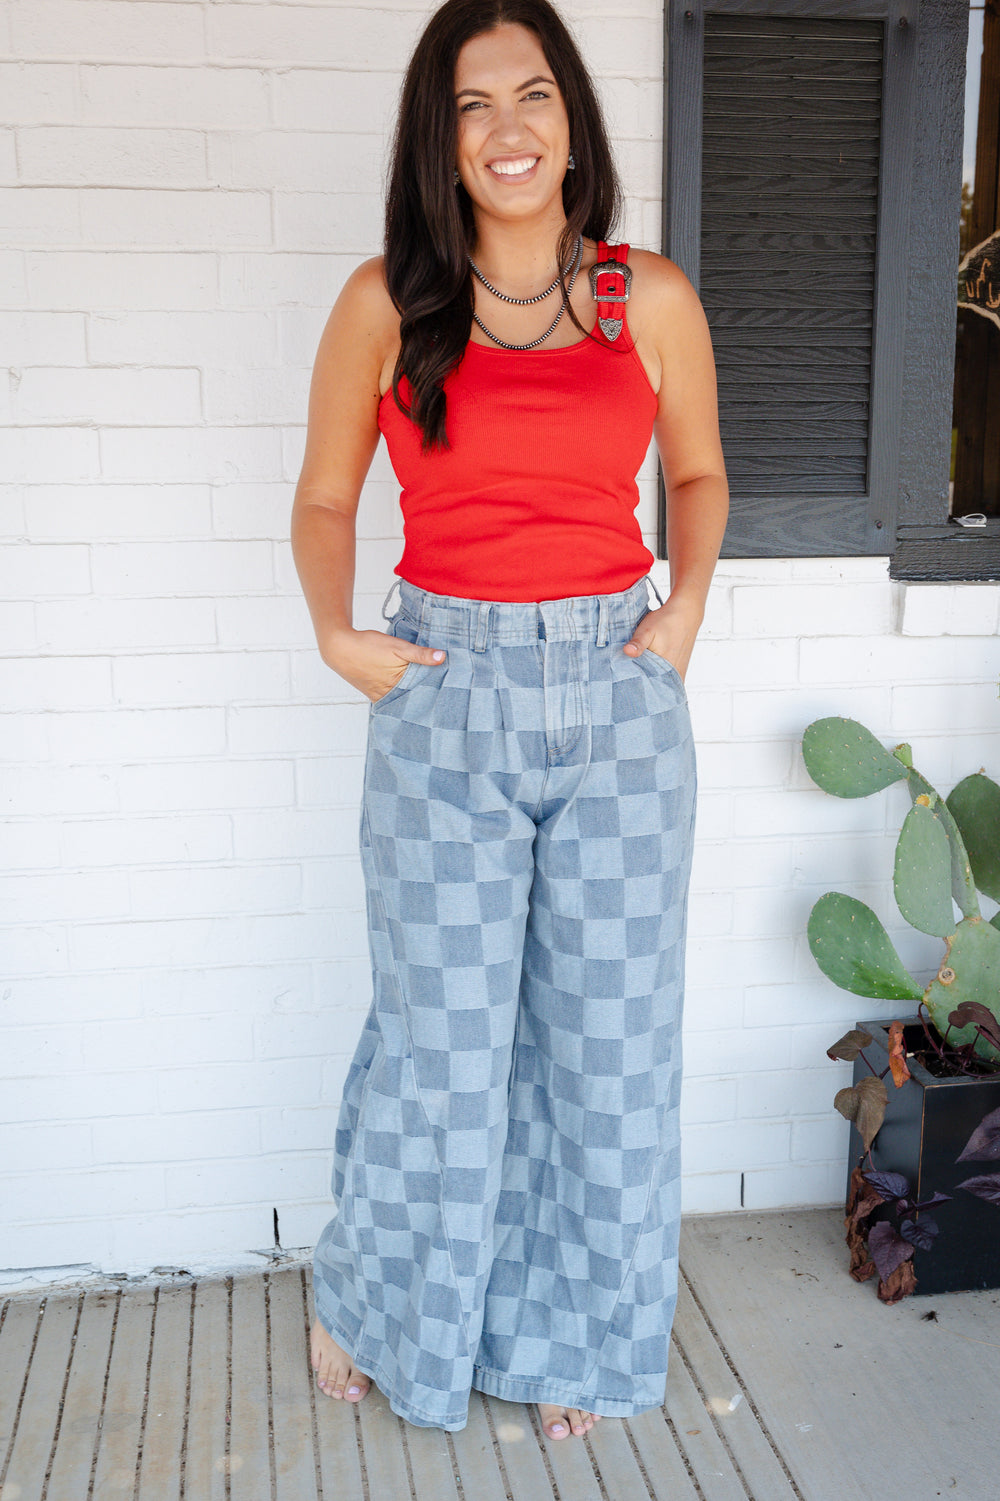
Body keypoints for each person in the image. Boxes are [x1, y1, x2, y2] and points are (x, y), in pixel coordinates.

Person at [291, 0, 728, 1443]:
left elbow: (701, 477)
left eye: (530, 96)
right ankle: (375, 1297)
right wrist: (342, 639)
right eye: (473, 106)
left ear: (571, 118)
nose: (507, 131)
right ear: (441, 138)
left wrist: (680, 620)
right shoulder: (386, 302)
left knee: (603, 1047)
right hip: (446, 692)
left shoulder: (641, 298)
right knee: (445, 1042)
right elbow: (329, 498)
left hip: (614, 696)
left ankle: (573, 1336)